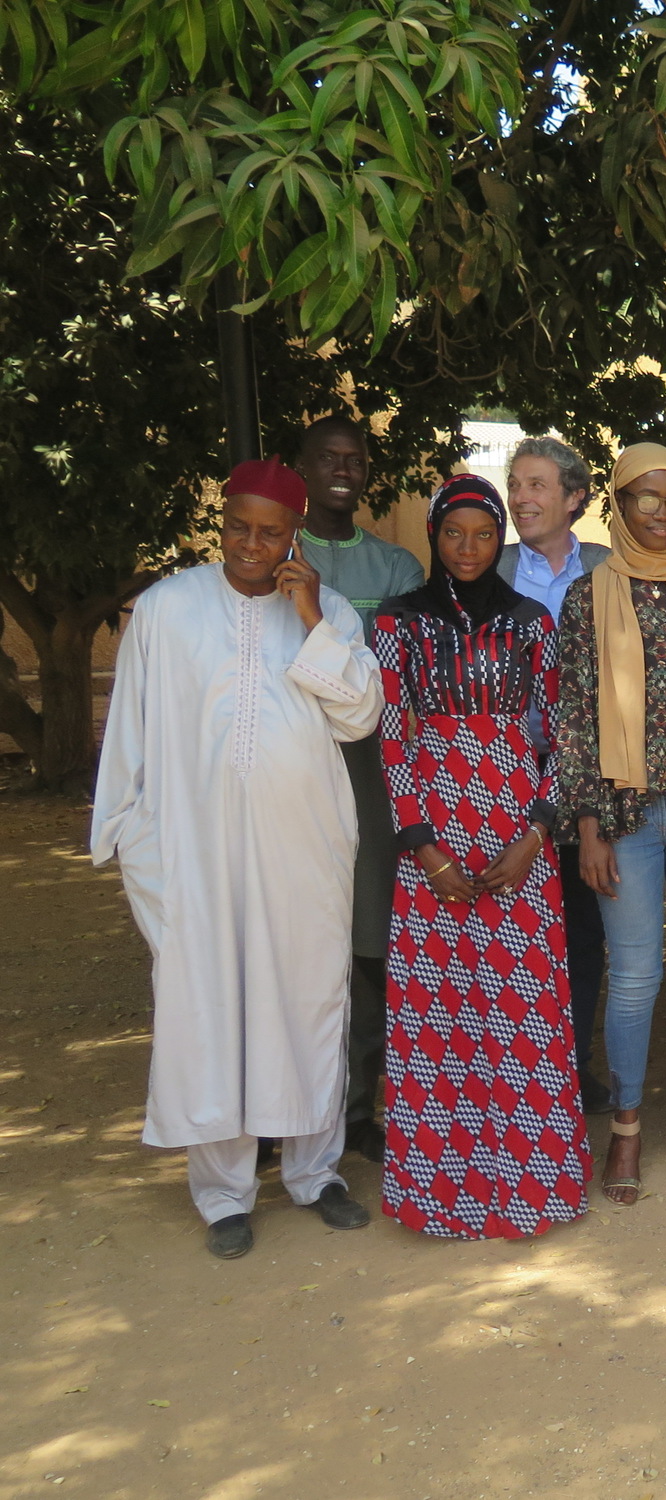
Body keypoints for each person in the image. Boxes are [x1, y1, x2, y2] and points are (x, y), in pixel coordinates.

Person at [91, 458, 383, 1258]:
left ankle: (314, 1174)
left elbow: (360, 716)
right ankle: (223, 1193)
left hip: (303, 848)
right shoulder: (165, 609)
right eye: (239, 528)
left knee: (310, 1001)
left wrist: (314, 613)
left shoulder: (324, 615)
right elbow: (129, 734)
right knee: (208, 1010)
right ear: (222, 524)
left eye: (271, 531)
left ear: (294, 535)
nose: (252, 545)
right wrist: (126, 837)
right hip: (197, 851)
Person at [373, 475, 592, 1238]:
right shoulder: (397, 625)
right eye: (454, 534)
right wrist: (424, 848)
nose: (469, 548)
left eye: (483, 534)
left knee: (521, 1011)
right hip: (431, 830)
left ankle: (532, 1187)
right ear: (433, 536)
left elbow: (566, 736)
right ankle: (442, 1195)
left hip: (515, 832)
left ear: (501, 539)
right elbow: (392, 742)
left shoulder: (531, 622)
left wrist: (535, 837)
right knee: (442, 1021)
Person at [553, 444, 666, 1203]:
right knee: (633, 979)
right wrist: (587, 824)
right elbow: (571, 719)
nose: (660, 512)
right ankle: (625, 1129)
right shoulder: (584, 598)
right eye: (644, 498)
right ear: (618, 506)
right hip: (622, 813)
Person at [291, 414, 425, 1164]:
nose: (343, 469)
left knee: (371, 945)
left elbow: (392, 686)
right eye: (327, 458)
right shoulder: (274, 556)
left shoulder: (396, 569)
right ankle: (291, 1111)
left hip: (374, 780)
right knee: (298, 945)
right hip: (292, 781)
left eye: (355, 458)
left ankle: (360, 1107)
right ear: (303, 468)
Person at [499, 435, 614, 1114]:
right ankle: (518, 1068)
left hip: (588, 775)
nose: (521, 498)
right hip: (511, 772)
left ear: (574, 498)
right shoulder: (490, 563)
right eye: (516, 484)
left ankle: (573, 1067)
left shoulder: (606, 567)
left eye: (538, 486)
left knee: (582, 925)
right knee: (514, 921)